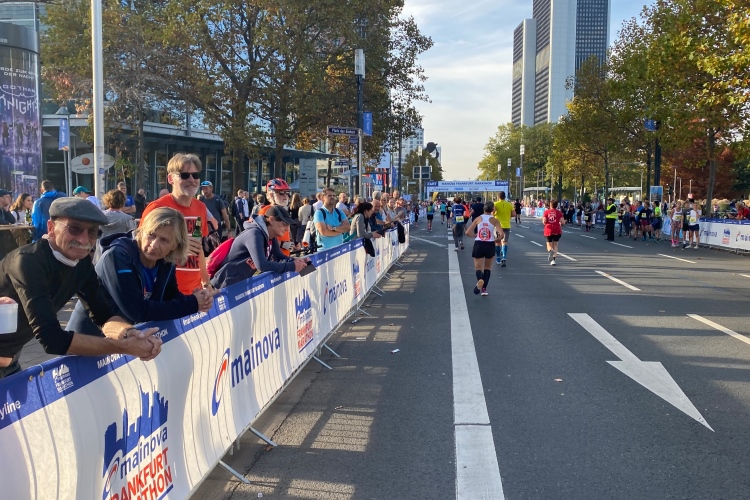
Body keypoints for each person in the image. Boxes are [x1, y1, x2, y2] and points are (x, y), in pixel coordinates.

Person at [0, 197, 161, 378]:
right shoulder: (29, 262)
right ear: (51, 228)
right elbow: (51, 339)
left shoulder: (81, 262)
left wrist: (131, 334)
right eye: (74, 229)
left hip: (10, 358)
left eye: (93, 232)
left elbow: (103, 315)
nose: (84, 239)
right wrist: (121, 347)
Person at [68, 207, 217, 336]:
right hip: (88, 340)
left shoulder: (166, 260)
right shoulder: (117, 256)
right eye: (151, 235)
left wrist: (200, 299)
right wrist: (192, 303)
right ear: (141, 232)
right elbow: (137, 311)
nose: (154, 245)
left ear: (175, 245)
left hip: (124, 339)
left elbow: (170, 297)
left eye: (164, 240)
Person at [139, 153, 211, 295]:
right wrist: (178, 246)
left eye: (195, 175)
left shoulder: (200, 207)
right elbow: (142, 248)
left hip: (194, 290)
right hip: (165, 290)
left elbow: (199, 249)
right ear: (171, 179)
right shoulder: (157, 208)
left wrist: (206, 283)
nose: (191, 180)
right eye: (185, 175)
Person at [211, 206, 310, 289]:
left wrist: (298, 261)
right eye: (284, 224)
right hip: (224, 284)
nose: (287, 229)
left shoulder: (270, 236)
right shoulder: (255, 234)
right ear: (271, 220)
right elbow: (262, 265)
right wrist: (292, 266)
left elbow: (279, 257)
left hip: (240, 283)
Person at [464, 202, 504, 296]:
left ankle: (480, 280)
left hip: (479, 243)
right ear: (493, 210)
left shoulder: (478, 218)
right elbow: (502, 235)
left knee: (478, 267)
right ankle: (484, 289)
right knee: (487, 268)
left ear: (484, 209)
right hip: (490, 244)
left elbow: (467, 232)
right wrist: (496, 240)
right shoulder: (495, 220)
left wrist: (474, 235)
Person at [259, 179, 296, 256]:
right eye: (281, 192)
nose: (285, 195)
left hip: (284, 257)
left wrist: (293, 243)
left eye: (287, 192)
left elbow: (286, 233)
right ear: (271, 195)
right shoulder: (265, 212)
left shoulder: (284, 211)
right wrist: (281, 244)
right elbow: (259, 238)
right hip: (272, 257)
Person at [492, 191, 514, 267]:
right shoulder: (509, 204)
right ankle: (504, 257)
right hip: (506, 225)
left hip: (497, 226)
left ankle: (498, 258)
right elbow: (514, 214)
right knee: (505, 242)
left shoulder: (495, 204)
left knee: (497, 242)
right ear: (505, 197)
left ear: (498, 197)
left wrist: (494, 214)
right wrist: (508, 216)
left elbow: (492, 213)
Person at [542, 199, 564, 266]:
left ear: (550, 205)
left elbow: (544, 222)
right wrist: (561, 223)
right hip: (557, 229)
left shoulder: (546, 212)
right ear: (556, 205)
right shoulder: (559, 212)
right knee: (556, 245)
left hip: (549, 230)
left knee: (549, 244)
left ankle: (551, 251)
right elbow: (562, 222)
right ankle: (553, 260)